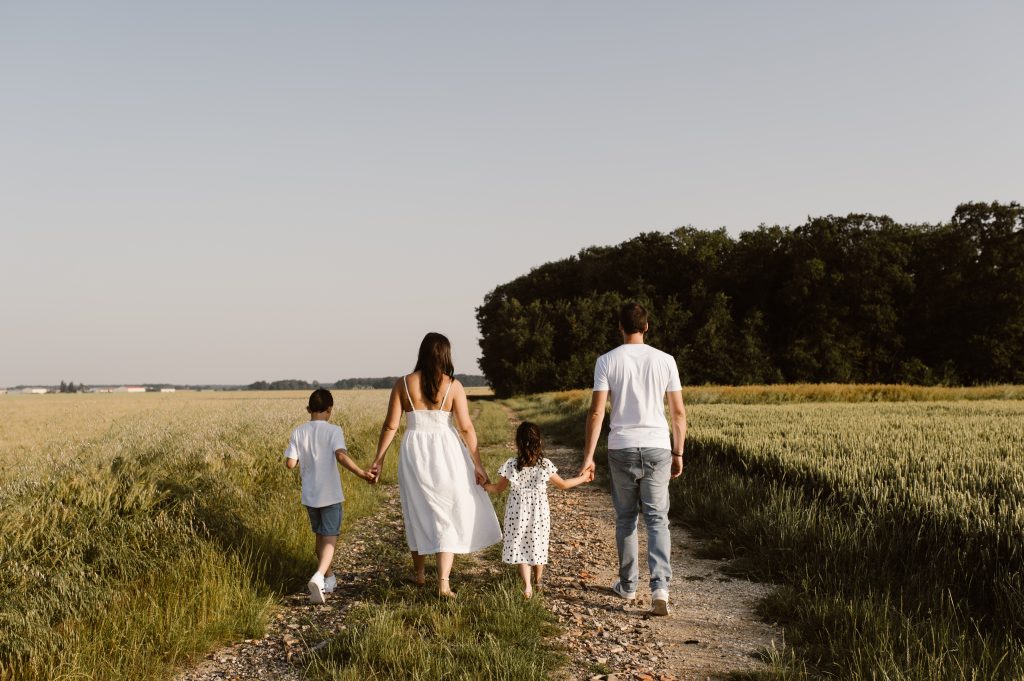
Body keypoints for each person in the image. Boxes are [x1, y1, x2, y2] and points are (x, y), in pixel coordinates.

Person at [368, 332, 502, 597]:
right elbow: (466, 427)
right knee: (446, 512)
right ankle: (443, 582)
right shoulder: (453, 386)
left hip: (413, 450)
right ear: (445, 355)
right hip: (446, 450)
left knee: (415, 509)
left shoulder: (403, 384)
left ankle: (419, 575)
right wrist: (478, 464)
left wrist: (378, 460)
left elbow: (390, 426)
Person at [579, 302, 686, 616]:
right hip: (657, 447)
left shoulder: (606, 361)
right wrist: (678, 452)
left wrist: (588, 456)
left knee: (626, 518)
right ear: (647, 326)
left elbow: (597, 412)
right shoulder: (666, 361)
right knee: (657, 520)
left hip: (621, 448)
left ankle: (627, 586)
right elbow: (678, 413)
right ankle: (660, 589)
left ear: (620, 327)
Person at [284, 388, 375, 604]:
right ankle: (318, 576)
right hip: (331, 495)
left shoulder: (298, 431)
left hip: (310, 496)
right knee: (330, 539)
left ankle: (329, 578)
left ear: (309, 409)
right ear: (330, 410)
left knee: (320, 537)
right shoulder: (334, 431)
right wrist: (362, 473)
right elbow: (341, 456)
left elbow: (290, 464)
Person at [484, 421, 593, 598]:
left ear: (518, 442)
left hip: (517, 512)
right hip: (539, 512)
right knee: (537, 544)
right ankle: (538, 581)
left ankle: (527, 587)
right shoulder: (544, 464)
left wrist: (484, 485)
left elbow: (498, 489)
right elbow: (563, 484)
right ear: (539, 442)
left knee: (520, 545)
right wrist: (584, 477)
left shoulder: (512, 464)